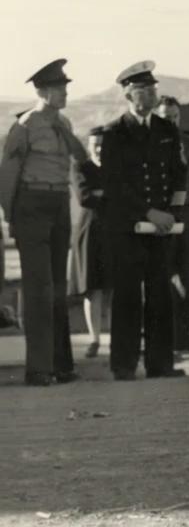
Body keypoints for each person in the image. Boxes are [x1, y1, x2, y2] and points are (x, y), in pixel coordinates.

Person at [0, 59, 85, 386]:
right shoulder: (25, 125)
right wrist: (11, 216)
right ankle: (38, 369)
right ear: (43, 91)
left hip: (58, 203)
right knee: (39, 289)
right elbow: (8, 174)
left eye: (65, 87)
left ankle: (61, 365)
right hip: (31, 205)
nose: (65, 93)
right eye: (60, 88)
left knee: (58, 289)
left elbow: (77, 162)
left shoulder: (63, 122)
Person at [102, 62, 188, 381]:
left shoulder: (167, 130)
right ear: (128, 93)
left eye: (153, 89)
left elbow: (180, 176)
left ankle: (160, 364)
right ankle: (124, 364)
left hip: (162, 227)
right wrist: (148, 213)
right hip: (128, 227)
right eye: (143, 90)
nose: (151, 95)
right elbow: (115, 184)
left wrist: (172, 214)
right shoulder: (114, 133)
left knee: (160, 294)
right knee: (127, 295)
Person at [154, 95, 189, 354]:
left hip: (186, 216)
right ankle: (160, 339)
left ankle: (185, 338)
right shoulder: (150, 143)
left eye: (175, 117)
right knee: (160, 277)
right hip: (160, 218)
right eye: (166, 118)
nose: (171, 122)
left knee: (184, 277)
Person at [69, 126, 109, 358]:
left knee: (113, 287)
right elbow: (85, 197)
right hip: (90, 233)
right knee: (92, 289)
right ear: (89, 145)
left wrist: (102, 194)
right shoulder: (80, 167)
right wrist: (107, 195)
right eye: (95, 145)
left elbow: (122, 194)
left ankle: (115, 339)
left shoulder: (117, 168)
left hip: (113, 232)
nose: (100, 149)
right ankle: (94, 339)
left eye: (103, 144)